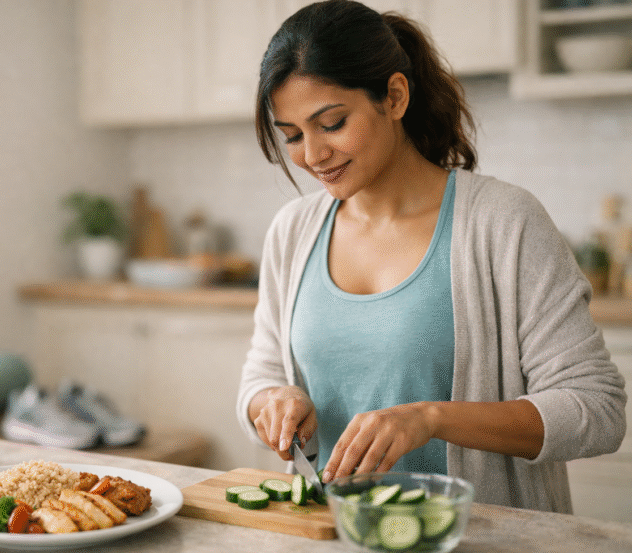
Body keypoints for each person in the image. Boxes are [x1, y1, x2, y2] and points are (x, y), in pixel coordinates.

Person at [236, 0, 627, 513]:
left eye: (331, 124)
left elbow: (597, 411)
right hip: (334, 542)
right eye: (292, 136)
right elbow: (260, 376)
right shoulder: (293, 232)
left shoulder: (504, 222)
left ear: (394, 97)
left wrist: (432, 419)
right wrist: (272, 402)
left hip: (482, 548)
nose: (312, 155)